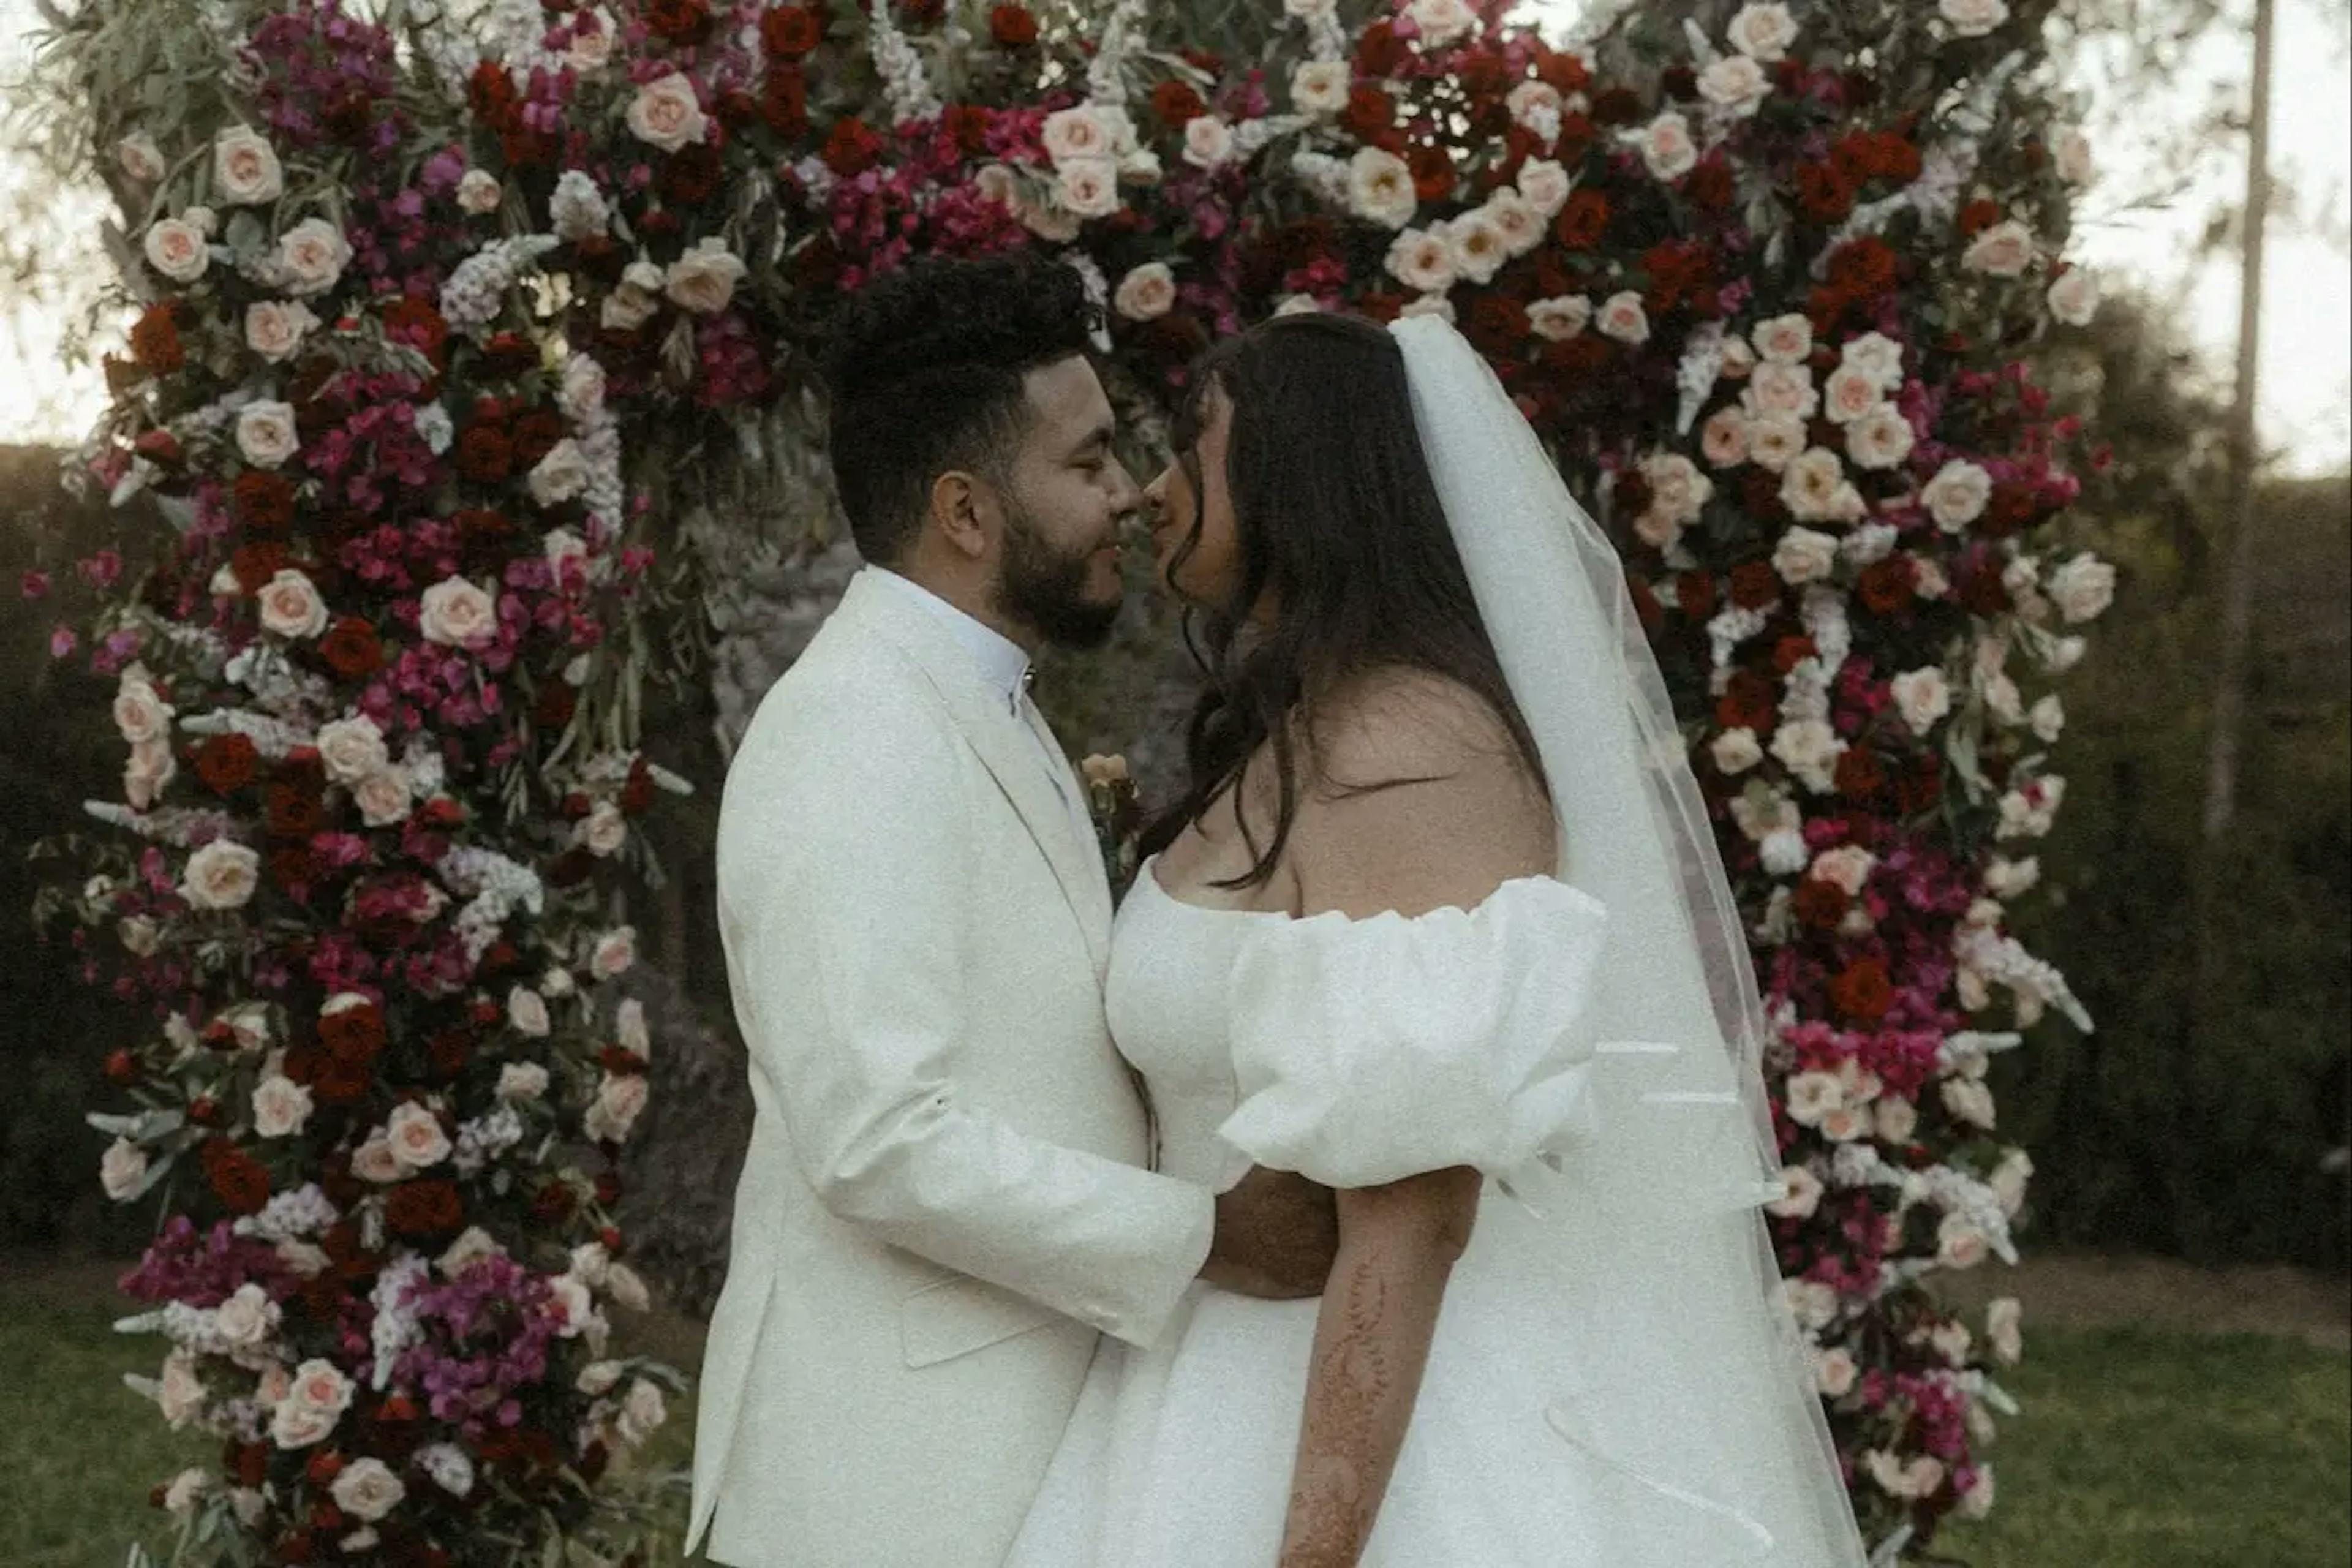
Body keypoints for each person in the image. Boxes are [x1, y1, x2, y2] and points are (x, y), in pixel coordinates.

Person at [1005, 311, 1873, 1567]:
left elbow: (1412, 1212)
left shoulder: (1414, 748)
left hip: (1378, 1437)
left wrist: (1312, 1554)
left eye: (1199, 444)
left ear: (1304, 478)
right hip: (1198, 1380)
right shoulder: (1303, 729)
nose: (1155, 488)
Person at [688, 257, 1340, 1568]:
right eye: (1090, 462)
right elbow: (877, 1136)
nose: (1131, 497)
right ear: (968, 512)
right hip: (894, 1480)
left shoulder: (979, 702)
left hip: (1006, 1445)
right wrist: (1209, 1231)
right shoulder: (856, 731)